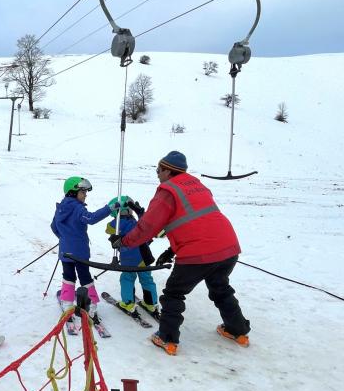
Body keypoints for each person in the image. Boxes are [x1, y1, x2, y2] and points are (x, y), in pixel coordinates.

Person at [112, 151, 250, 356]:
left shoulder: (167, 190)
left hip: (198, 253)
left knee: (174, 293)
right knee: (221, 288)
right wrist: (171, 249)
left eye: (159, 169)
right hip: (228, 247)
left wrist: (123, 242)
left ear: (169, 170)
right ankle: (238, 331)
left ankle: (167, 338)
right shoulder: (196, 185)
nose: (157, 174)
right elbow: (195, 220)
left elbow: (147, 227)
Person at [51, 176, 113, 317]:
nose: (85, 196)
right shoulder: (77, 208)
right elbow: (91, 218)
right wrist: (109, 208)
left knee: (68, 276)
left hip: (65, 252)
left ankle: (67, 305)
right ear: (73, 192)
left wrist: (65, 238)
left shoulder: (60, 207)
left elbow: (54, 227)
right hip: (80, 253)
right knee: (85, 277)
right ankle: (91, 307)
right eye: (83, 192)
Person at [104, 196, 158, 316]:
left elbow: (108, 229)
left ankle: (128, 303)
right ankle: (151, 303)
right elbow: (146, 224)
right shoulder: (135, 221)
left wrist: (116, 223)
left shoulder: (118, 223)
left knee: (127, 278)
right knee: (147, 279)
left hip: (129, 257)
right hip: (144, 256)